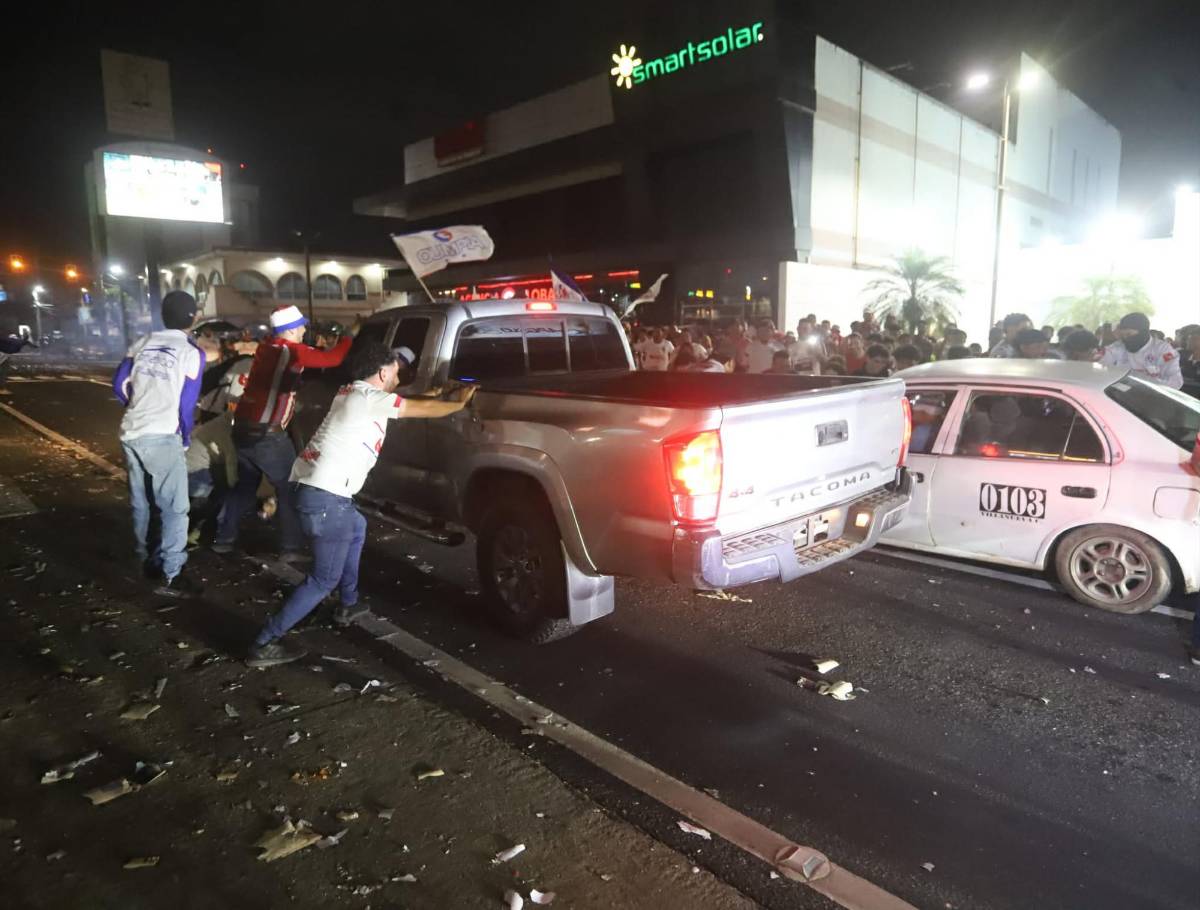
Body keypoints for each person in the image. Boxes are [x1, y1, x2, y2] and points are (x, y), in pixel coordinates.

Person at [245, 342, 476, 667]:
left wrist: (438, 394)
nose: (399, 377)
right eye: (396, 372)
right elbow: (421, 410)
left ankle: (349, 603)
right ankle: (264, 642)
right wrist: (457, 403)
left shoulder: (353, 392)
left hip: (312, 490)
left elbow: (408, 401)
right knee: (322, 579)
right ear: (383, 372)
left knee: (357, 527)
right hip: (326, 499)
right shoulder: (369, 399)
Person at [214, 304, 353, 559]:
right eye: (300, 326)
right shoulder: (291, 351)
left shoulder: (270, 347)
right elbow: (333, 359)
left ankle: (224, 538)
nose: (303, 330)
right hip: (267, 436)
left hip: (244, 429)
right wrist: (348, 337)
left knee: (245, 487)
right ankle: (290, 547)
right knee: (290, 488)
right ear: (290, 329)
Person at [112, 291, 204, 596]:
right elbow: (186, 404)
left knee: (142, 502)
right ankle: (172, 574)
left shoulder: (143, 341)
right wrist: (186, 435)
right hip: (163, 435)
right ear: (193, 318)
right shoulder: (191, 352)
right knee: (175, 508)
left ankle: (144, 560)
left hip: (131, 430)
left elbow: (118, 384)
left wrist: (137, 406)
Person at [1100, 312, 1182, 389]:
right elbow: (1101, 372)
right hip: (1120, 394)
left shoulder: (1163, 350)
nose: (1125, 338)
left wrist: (1144, 385)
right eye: (1123, 335)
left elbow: (1176, 382)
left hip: (1153, 396)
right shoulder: (1116, 348)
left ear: (1143, 332)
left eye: (1129, 334)